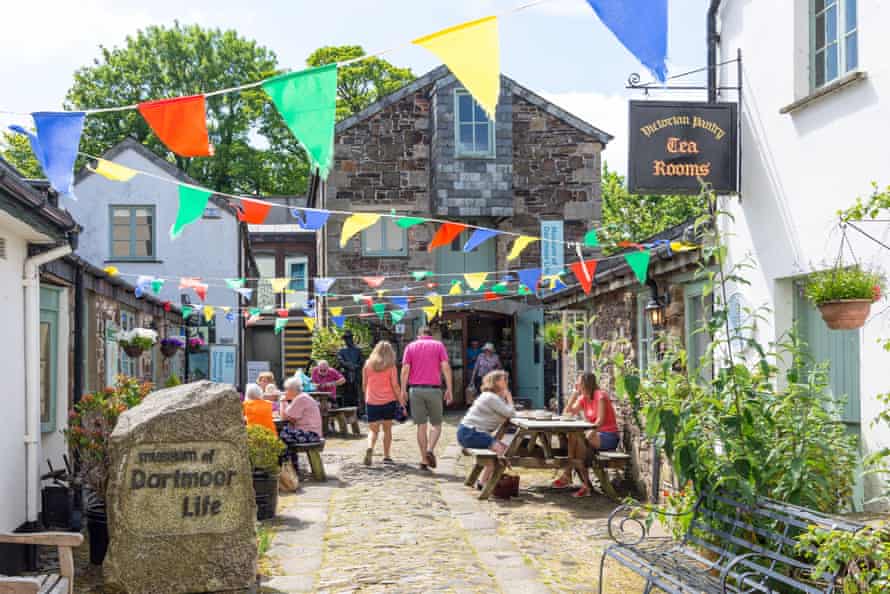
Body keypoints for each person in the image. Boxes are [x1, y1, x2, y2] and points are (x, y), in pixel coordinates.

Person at [552, 372, 620, 498]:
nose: (577, 384)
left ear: (586, 384)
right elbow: (567, 413)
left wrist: (587, 435)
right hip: (594, 434)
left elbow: (599, 421)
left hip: (608, 436)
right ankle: (584, 484)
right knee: (575, 439)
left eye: (579, 382)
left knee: (578, 440)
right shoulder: (583, 398)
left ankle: (569, 474)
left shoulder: (600, 396)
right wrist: (574, 393)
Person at [401, 326, 453, 471]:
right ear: (431, 335)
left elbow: (405, 370)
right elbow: (446, 367)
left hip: (415, 390)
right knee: (436, 424)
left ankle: (424, 459)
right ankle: (430, 449)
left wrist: (402, 390)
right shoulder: (438, 345)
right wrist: (449, 389)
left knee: (421, 426)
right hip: (434, 390)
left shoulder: (410, 346)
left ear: (419, 335)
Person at [456, 370, 516, 489]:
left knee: (501, 450)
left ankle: (482, 482)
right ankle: (488, 483)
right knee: (501, 451)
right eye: (504, 380)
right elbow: (511, 413)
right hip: (471, 433)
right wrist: (509, 398)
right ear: (496, 382)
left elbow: (505, 413)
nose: (506, 382)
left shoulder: (491, 397)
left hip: (470, 432)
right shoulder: (491, 397)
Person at [362, 341, 403, 466]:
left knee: (373, 431)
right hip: (388, 401)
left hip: (372, 401)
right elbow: (395, 386)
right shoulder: (391, 366)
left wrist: (366, 397)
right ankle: (386, 456)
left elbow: (364, 384)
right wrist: (401, 401)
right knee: (387, 430)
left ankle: (370, 447)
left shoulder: (368, 364)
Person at [337, 330, 365, 411]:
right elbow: (340, 360)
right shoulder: (341, 351)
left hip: (356, 374)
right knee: (346, 393)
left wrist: (356, 366)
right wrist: (348, 365)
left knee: (357, 393)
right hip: (346, 374)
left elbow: (362, 360)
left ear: (352, 338)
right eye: (346, 338)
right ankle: (346, 410)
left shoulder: (358, 350)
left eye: (349, 338)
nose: (347, 340)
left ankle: (358, 411)